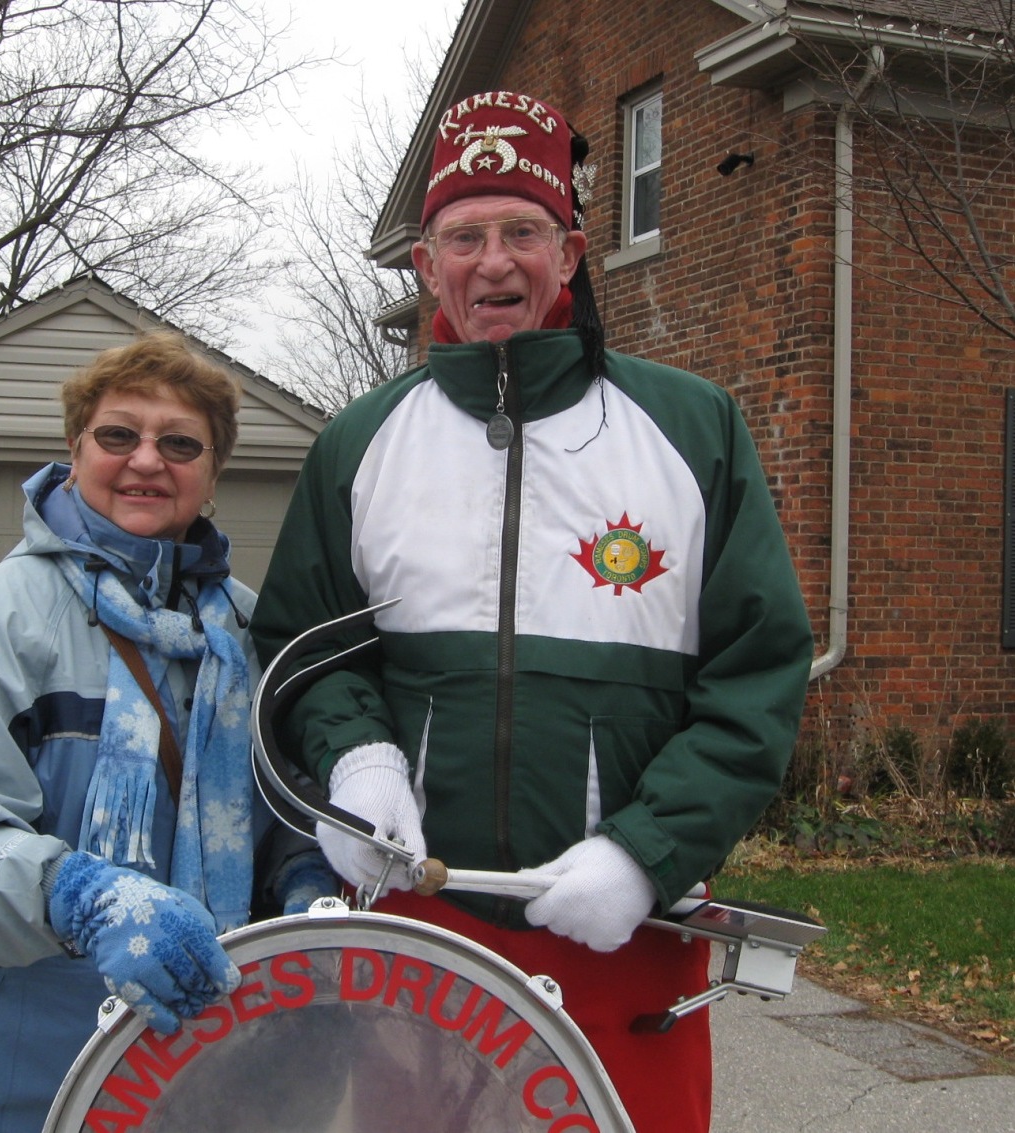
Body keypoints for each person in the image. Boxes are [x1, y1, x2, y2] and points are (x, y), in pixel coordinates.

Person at [249, 90, 813, 1133]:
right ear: (425, 265)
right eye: (464, 237)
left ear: (571, 253)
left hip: (620, 938)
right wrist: (356, 762)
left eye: (522, 231)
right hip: (421, 940)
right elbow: (302, 647)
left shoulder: (693, 429)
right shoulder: (358, 443)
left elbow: (757, 674)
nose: (493, 263)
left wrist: (644, 851)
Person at [0, 331, 334, 1133]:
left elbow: (282, 799)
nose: (147, 459)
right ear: (75, 451)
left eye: (180, 443)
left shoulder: (246, 630)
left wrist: (303, 875)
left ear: (212, 472)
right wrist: (78, 894)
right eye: (118, 434)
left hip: (191, 1050)